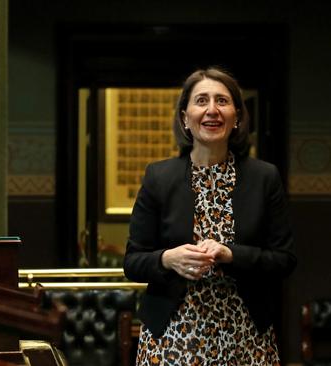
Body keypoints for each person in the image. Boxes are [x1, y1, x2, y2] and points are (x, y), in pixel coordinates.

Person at [124, 67, 296, 365]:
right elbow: (133, 262)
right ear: (184, 117)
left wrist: (232, 255)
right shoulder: (158, 177)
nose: (212, 110)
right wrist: (168, 259)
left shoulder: (264, 177)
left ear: (238, 117)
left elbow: (285, 260)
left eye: (223, 101)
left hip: (245, 334)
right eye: (201, 101)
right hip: (172, 335)